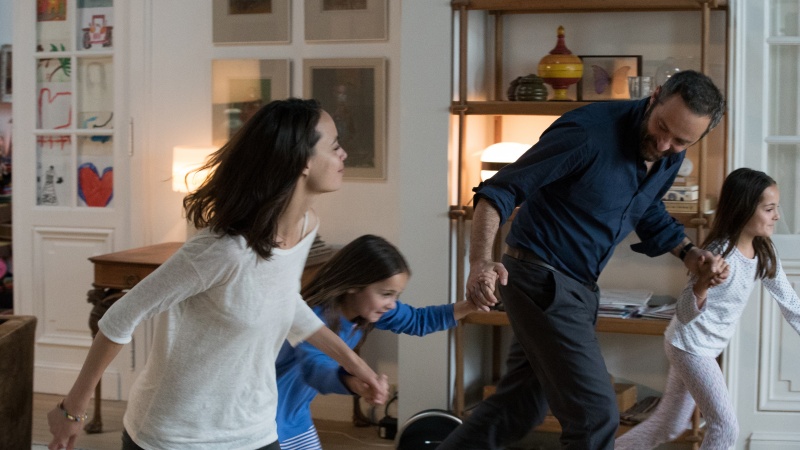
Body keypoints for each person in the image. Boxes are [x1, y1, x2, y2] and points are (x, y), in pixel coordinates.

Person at [47, 98, 389, 450]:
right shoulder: (222, 251)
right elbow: (121, 316)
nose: (344, 154)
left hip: (255, 428)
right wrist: (73, 409)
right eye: (334, 146)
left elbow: (285, 302)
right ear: (303, 160)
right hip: (176, 437)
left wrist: (355, 365)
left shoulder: (305, 227)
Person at [437, 70, 729, 450]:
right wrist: (479, 261)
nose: (664, 143)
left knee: (520, 406)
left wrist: (689, 253)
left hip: (578, 288)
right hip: (540, 279)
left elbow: (646, 207)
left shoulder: (669, 153)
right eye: (661, 127)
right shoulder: (587, 132)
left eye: (680, 141)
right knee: (595, 415)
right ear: (655, 96)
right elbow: (500, 191)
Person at [616, 168, 800, 449]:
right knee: (725, 427)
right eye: (769, 209)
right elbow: (685, 313)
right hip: (690, 346)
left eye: (776, 207)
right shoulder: (719, 255)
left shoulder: (763, 252)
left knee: (668, 426)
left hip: (700, 346)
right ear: (744, 210)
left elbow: (790, 303)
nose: (776, 215)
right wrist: (702, 285)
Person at [275, 234, 478, 450]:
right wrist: (353, 381)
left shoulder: (367, 312)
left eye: (396, 295)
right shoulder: (315, 319)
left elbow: (418, 320)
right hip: (268, 420)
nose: (392, 304)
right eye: (386, 294)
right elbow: (315, 368)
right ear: (354, 284)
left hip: (295, 418)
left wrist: (471, 305)